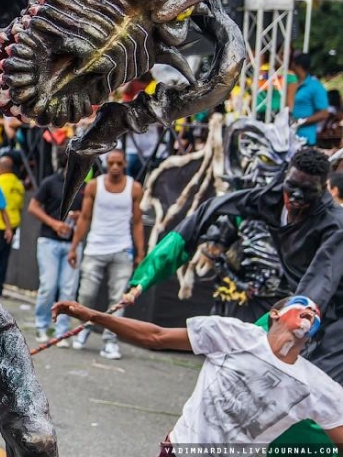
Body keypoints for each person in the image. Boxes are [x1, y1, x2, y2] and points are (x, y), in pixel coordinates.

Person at [125, 148, 343, 383]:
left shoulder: (334, 225)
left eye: (308, 192)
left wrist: (292, 321)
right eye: (292, 186)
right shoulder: (270, 199)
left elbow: (321, 280)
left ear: (323, 189)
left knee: (317, 391)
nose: (296, 197)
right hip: (299, 305)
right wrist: (144, 278)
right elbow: (208, 212)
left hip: (330, 313)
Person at [51, 296, 343, 452]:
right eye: (302, 304)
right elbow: (156, 337)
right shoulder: (233, 334)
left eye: (316, 312)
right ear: (275, 315)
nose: (311, 310)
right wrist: (94, 316)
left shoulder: (316, 385)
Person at [69, 148, 144, 359]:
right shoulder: (95, 185)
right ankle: (83, 330)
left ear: (125, 165)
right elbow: (84, 218)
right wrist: (74, 246)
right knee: (86, 294)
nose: (115, 167)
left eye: (119, 163)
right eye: (112, 163)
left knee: (118, 298)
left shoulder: (134, 188)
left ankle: (110, 341)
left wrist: (141, 252)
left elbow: (138, 222)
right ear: (106, 163)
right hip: (95, 248)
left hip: (122, 249)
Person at [28, 152, 84, 345]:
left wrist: (81, 216)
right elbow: (33, 207)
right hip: (49, 241)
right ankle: (41, 326)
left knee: (68, 290)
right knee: (48, 286)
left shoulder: (83, 187)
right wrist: (54, 224)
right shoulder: (51, 182)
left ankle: (62, 332)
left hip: (72, 244)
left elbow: (88, 215)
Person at [0, 156, 24, 296]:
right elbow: (20, 206)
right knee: (4, 258)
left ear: (0, 168)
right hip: (13, 224)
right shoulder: (18, 183)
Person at [291, 54, 329, 146]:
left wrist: (299, 122)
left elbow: (324, 113)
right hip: (286, 137)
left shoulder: (315, 86)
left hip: (305, 137)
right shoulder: (291, 83)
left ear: (297, 66)